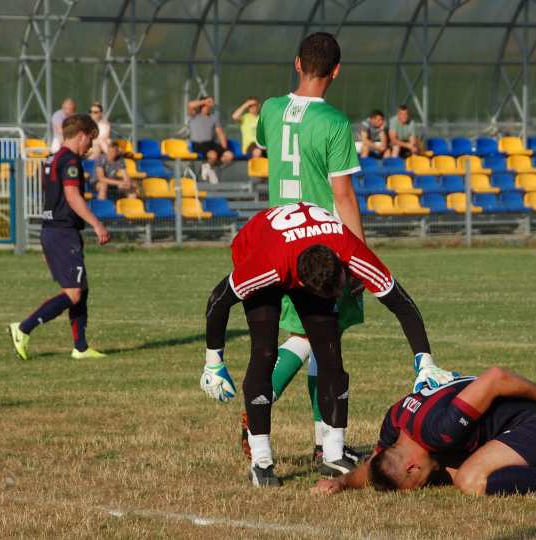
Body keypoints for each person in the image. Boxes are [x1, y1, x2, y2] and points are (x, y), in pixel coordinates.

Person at [199, 202, 455, 487]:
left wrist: (425, 360)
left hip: (311, 245)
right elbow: (219, 299)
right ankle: (262, 461)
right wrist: (214, 361)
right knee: (264, 351)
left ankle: (333, 453)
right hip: (261, 243)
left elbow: (400, 302)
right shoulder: (267, 265)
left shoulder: (346, 246)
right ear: (306, 286)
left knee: (330, 354)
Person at [254, 32, 367, 475]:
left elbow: (268, 146)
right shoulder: (336, 123)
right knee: (312, 338)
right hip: (320, 244)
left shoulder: (269, 108)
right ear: (337, 71)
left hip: (279, 237)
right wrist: (356, 255)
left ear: (297, 63)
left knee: (318, 339)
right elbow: (343, 195)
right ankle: (259, 407)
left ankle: (324, 442)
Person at [311, 367, 536, 501]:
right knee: (453, 470)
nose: (423, 487)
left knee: (470, 479)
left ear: (411, 467)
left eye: (416, 485)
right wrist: (342, 482)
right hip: (518, 426)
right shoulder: (395, 421)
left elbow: (496, 378)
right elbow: (379, 462)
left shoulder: (441, 431)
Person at [7, 114, 111, 361]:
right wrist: (97, 225)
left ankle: (81, 347)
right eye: (90, 140)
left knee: (80, 289)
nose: (90, 146)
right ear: (82, 135)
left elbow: (55, 199)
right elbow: (72, 196)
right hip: (62, 232)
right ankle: (23, 328)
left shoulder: (52, 159)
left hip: (54, 231)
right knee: (74, 292)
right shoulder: (70, 161)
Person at [187, 95, 234, 177]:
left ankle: (208, 166)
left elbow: (220, 134)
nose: (211, 104)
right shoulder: (194, 115)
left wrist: (224, 148)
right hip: (198, 144)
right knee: (213, 155)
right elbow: (190, 105)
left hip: (211, 144)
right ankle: (209, 168)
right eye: (210, 102)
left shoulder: (213, 118)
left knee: (229, 155)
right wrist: (205, 101)